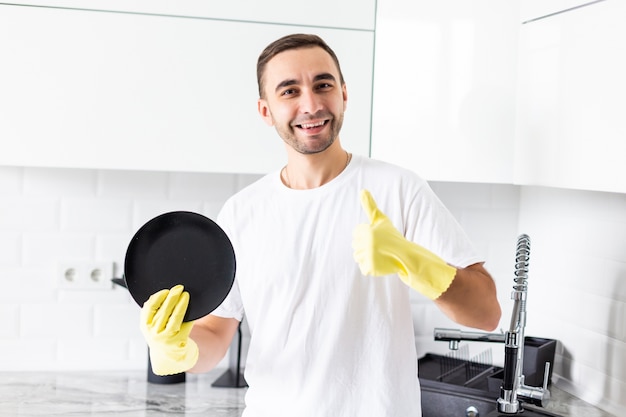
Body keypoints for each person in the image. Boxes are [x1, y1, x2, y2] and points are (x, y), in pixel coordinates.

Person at [140, 33, 501, 417]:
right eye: (289, 91)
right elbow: (216, 333)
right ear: (266, 111)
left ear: (344, 93)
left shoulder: (398, 189)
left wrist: (415, 263)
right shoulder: (242, 212)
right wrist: (178, 347)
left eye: (323, 85)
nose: (310, 105)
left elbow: (486, 314)